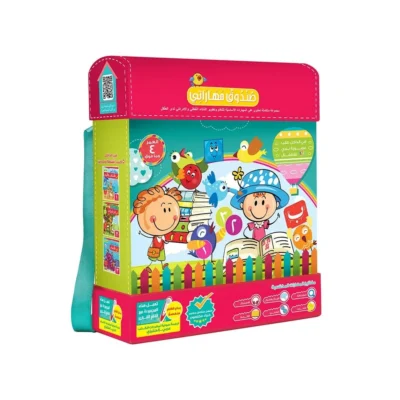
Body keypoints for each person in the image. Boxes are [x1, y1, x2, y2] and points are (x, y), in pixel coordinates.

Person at [230, 169, 289, 240]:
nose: (259, 208)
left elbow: (268, 225)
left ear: (276, 204)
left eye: (263, 202)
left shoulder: (264, 223)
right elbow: (248, 229)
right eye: (255, 203)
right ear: (242, 205)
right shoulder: (253, 224)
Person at [133, 185, 182, 271]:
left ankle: (163, 265)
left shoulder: (162, 236)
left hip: (161, 249)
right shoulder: (155, 237)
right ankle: (149, 266)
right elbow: (151, 240)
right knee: (153, 258)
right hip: (155, 249)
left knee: (161, 258)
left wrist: (166, 241)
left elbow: (164, 240)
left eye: (169, 210)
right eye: (164, 210)